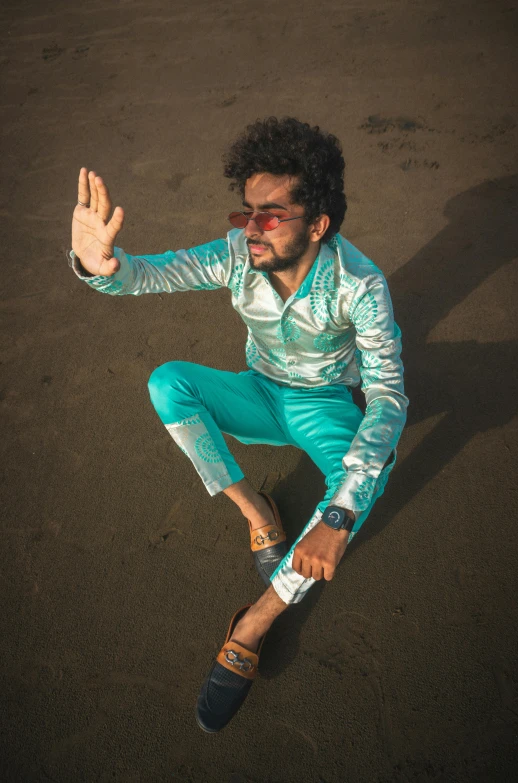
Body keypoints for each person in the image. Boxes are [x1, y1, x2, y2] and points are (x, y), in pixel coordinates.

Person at [70, 116, 408, 733]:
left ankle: (254, 622)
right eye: (245, 211)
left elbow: (388, 396)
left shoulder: (362, 284)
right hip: (256, 393)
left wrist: (337, 518)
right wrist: (101, 266)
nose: (251, 228)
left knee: (364, 481)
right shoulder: (236, 253)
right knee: (168, 381)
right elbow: (153, 273)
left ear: (319, 224)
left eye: (270, 215)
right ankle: (258, 514)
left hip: (325, 403)